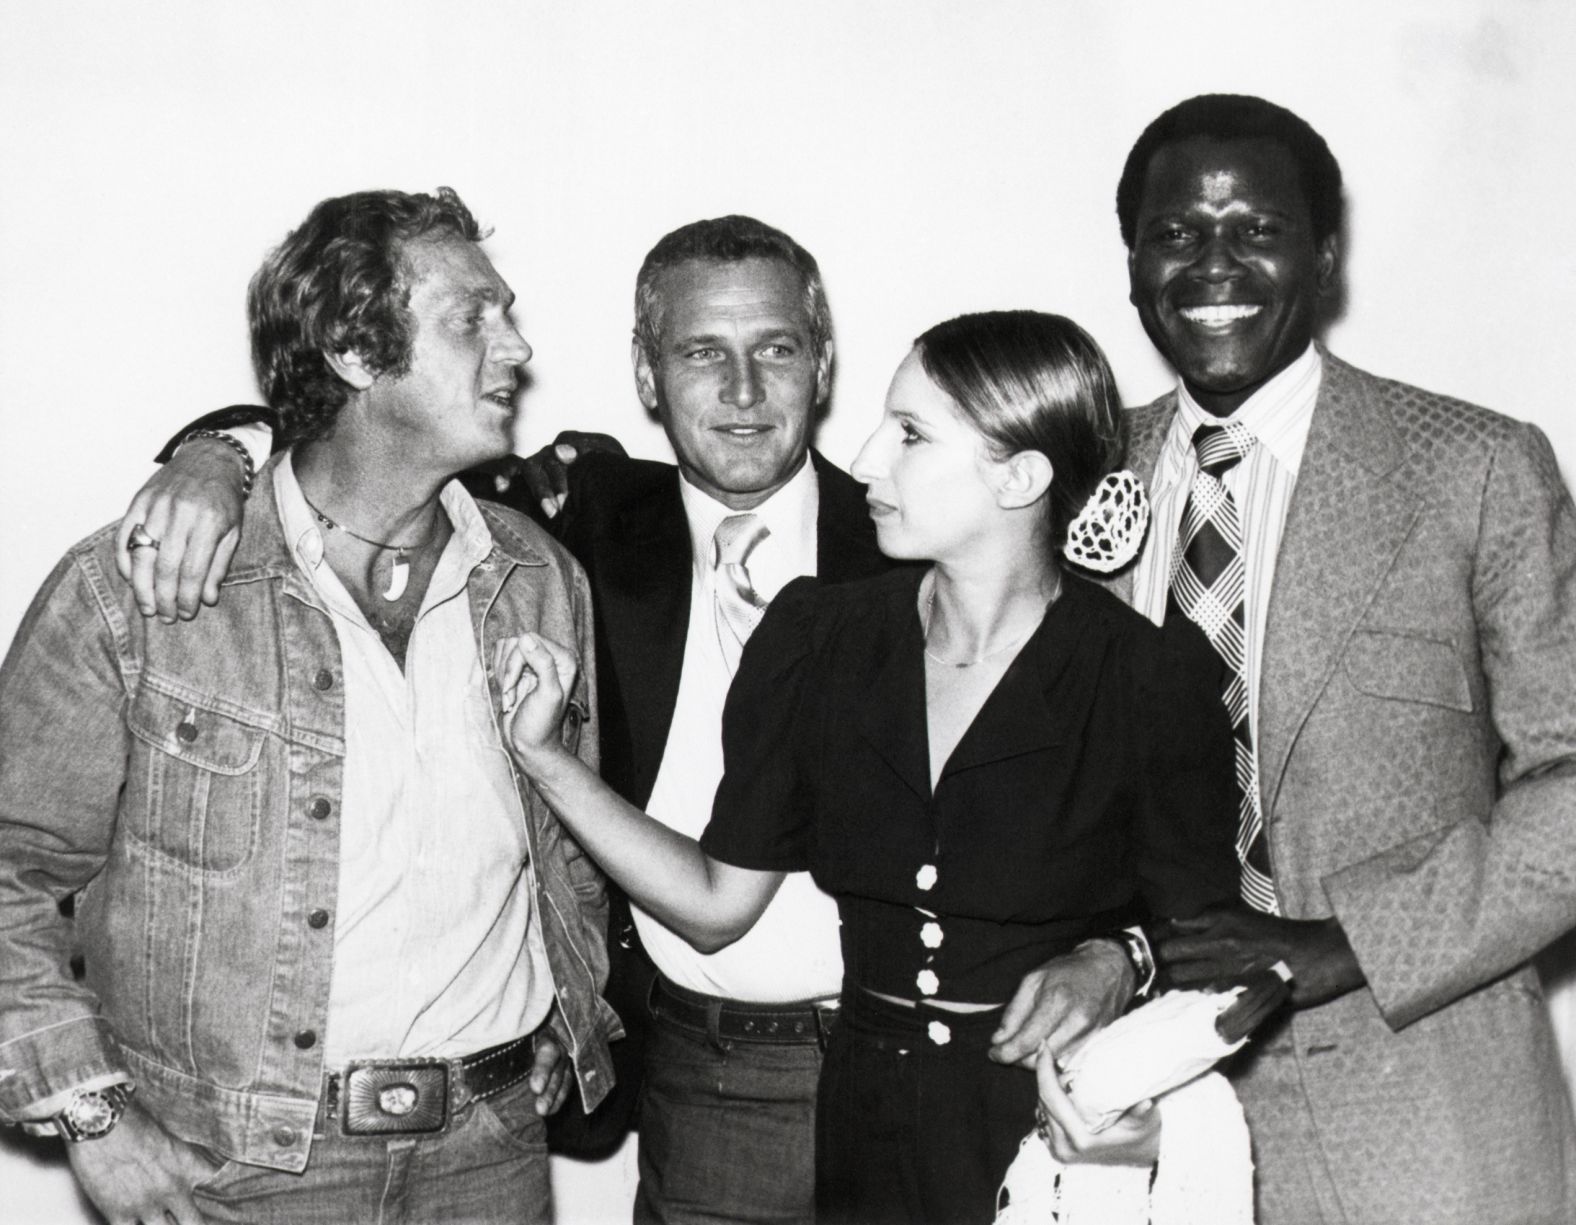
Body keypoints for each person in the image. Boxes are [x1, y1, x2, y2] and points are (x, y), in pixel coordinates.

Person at [110, 218, 1152, 1225]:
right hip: (708, 1079)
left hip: (956, 1072)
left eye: (776, 349)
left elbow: (1117, 810)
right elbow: (356, 441)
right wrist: (219, 454)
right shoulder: (570, 527)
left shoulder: (926, 529)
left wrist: (1116, 950)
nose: (742, 393)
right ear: (647, 376)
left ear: (824, 365)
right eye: (701, 352)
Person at [494, 309, 1243, 1225]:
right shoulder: (823, 638)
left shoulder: (1146, 676)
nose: (867, 457)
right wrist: (544, 757)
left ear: (1022, 475)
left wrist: (1120, 957)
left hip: (1054, 1136)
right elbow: (713, 904)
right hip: (859, 1133)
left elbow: (1213, 943)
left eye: (912, 434)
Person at [0, 187, 617, 1224]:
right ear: (352, 349)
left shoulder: (538, 577)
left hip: (493, 1152)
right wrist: (92, 1115)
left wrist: (569, 1005)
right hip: (239, 1169)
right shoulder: (144, 589)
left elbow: (566, 850)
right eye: (473, 316)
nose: (514, 348)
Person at [1049, 93, 1576, 1223]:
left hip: (1423, 1113)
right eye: (1178, 232)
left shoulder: (1473, 468)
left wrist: (1344, 943)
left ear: (1324, 256)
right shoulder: (1079, 481)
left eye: (1257, 229)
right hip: (1137, 1121)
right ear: (1132, 257)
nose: (1213, 264)